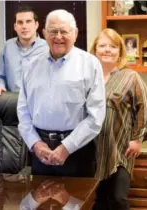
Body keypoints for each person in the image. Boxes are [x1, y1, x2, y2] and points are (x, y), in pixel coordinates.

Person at [17, 9, 106, 177]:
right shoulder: (31, 66)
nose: (58, 37)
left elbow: (96, 116)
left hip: (77, 151)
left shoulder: (90, 64)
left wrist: (66, 147)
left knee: (78, 202)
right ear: (44, 33)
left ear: (75, 33)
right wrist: (35, 143)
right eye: (53, 31)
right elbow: (23, 111)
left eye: (64, 31)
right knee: (41, 201)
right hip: (40, 151)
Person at [90, 28, 147, 210]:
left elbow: (143, 108)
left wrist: (137, 139)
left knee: (118, 199)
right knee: (97, 201)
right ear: (95, 50)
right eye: (102, 46)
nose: (107, 50)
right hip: (92, 151)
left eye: (113, 46)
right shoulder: (88, 78)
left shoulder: (131, 77)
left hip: (121, 151)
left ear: (120, 52)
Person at [0, 5, 48, 96]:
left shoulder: (47, 48)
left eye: (28, 21)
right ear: (15, 27)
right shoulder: (7, 47)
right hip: (12, 103)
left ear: (36, 25)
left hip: (38, 102)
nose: (24, 26)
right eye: (20, 22)